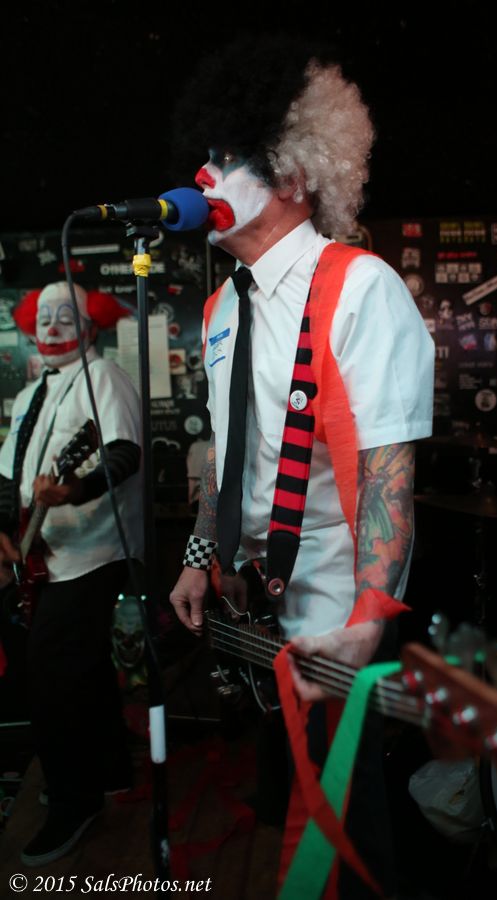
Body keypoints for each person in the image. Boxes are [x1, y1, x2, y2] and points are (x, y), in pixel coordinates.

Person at [169, 37, 434, 898]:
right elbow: (226, 451)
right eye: (205, 157)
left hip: (334, 607)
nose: (204, 176)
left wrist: (369, 618)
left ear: (291, 172)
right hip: (257, 602)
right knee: (289, 799)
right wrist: (201, 557)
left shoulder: (360, 287)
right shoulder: (221, 305)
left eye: (229, 158)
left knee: (345, 830)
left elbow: (388, 471)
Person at [0, 281, 143, 866]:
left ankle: (73, 800)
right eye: (45, 319)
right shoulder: (29, 394)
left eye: (66, 318)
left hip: (93, 553)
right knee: (81, 669)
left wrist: (74, 490)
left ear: (90, 326)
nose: (54, 329)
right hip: (42, 558)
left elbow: (125, 454)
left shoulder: (103, 376)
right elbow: (9, 475)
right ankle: (107, 771)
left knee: (52, 677)